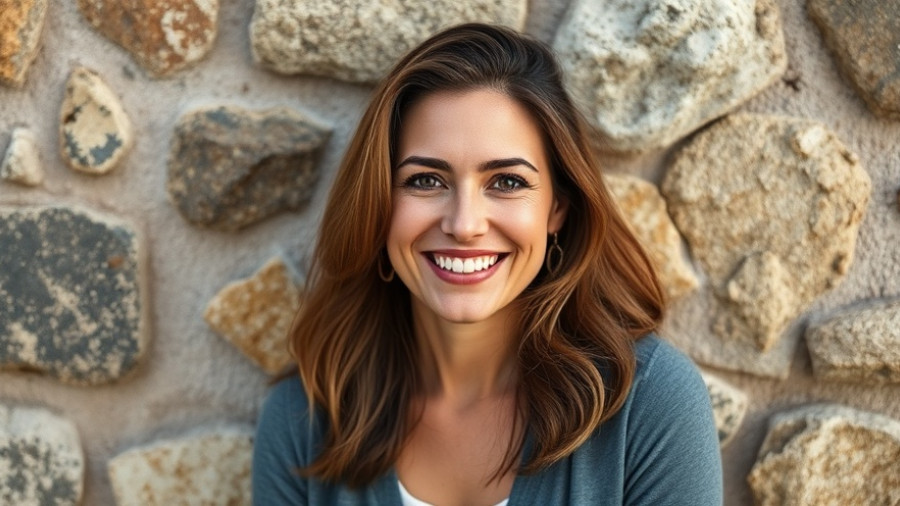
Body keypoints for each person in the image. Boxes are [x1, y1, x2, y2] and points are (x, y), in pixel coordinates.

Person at [252, 23, 722, 505]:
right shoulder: (304, 420)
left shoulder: (648, 403)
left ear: (557, 209)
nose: (464, 224)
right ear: (379, 205)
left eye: (507, 182)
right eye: (426, 181)